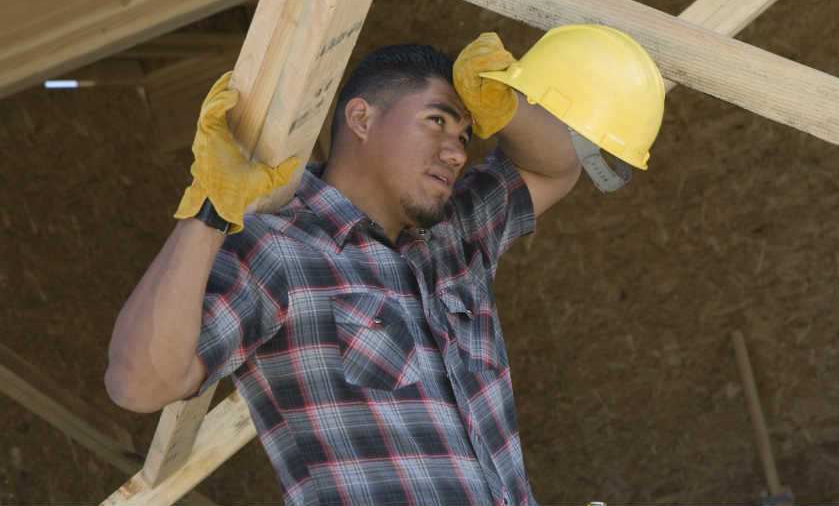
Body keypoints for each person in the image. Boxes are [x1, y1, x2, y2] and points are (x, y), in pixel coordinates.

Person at [105, 26, 664, 506]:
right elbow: (138, 383)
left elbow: (555, 167)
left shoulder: (455, 239)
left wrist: (507, 105)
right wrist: (209, 208)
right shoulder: (281, 252)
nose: (456, 151)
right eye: (438, 121)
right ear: (361, 119)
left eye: (466, 135)